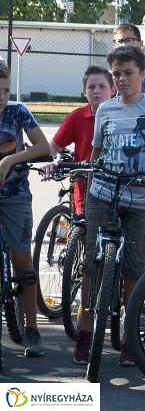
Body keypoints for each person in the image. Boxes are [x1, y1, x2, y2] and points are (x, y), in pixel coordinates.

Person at [74, 46, 145, 367]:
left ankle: (130, 337)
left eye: (128, 73)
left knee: (134, 270)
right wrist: (87, 188)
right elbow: (95, 155)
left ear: (143, 74)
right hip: (103, 195)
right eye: (117, 74)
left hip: (142, 199)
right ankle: (85, 332)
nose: (122, 79)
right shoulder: (105, 109)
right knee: (91, 266)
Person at [0, 63, 52, 357]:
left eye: (6, 90)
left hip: (15, 194)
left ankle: (32, 328)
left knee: (21, 260)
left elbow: (43, 147)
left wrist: (10, 160)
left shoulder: (17, 111)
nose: (2, 97)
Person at [42, 66, 115, 217]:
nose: (96, 91)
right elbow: (54, 145)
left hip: (115, 184)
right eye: (91, 87)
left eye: (102, 86)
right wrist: (49, 161)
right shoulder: (77, 117)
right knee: (84, 222)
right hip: (85, 185)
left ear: (112, 90)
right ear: (84, 91)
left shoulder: (122, 116)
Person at [112, 23, 145, 97]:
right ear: (114, 46)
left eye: (129, 40)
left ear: (140, 44)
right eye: (120, 41)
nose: (124, 45)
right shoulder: (110, 74)